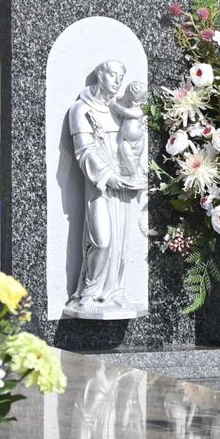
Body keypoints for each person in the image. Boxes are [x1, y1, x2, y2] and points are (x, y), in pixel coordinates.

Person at [65, 61, 145, 314]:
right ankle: (88, 292)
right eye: (113, 75)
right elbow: (84, 150)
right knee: (102, 240)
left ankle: (115, 290)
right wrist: (107, 175)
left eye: (121, 76)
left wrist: (133, 172)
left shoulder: (119, 109)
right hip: (100, 185)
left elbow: (131, 142)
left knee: (121, 243)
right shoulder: (81, 110)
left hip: (123, 182)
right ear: (100, 75)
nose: (117, 81)